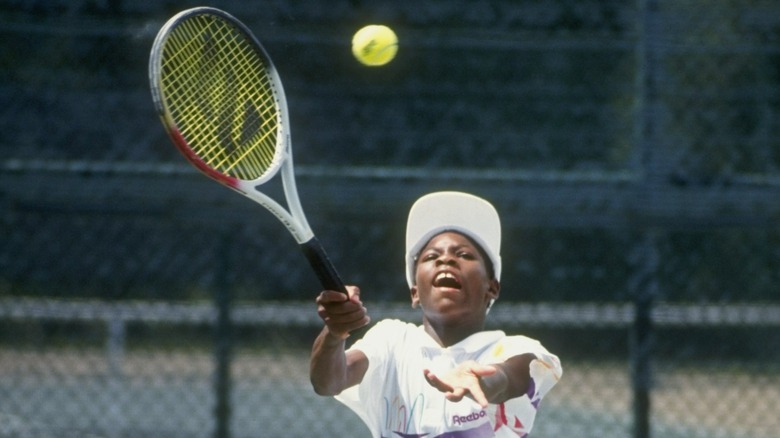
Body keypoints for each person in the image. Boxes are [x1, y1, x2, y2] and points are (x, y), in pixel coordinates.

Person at [310, 191, 562, 437]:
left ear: (492, 287)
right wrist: (334, 333)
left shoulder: (516, 348)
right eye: (431, 256)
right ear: (415, 292)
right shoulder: (390, 340)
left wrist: (484, 381)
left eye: (464, 255)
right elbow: (328, 382)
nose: (446, 260)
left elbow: (510, 376)